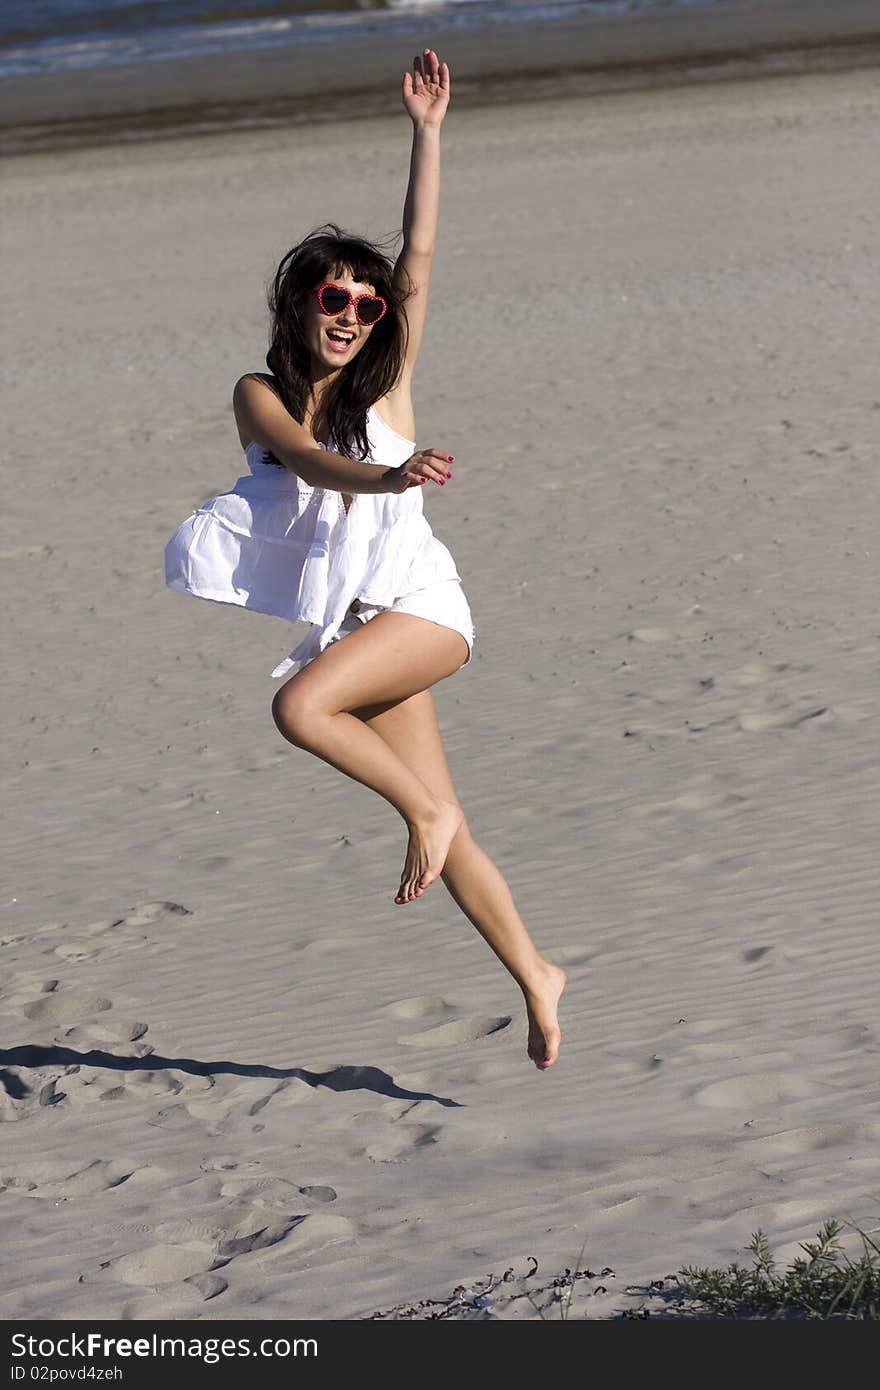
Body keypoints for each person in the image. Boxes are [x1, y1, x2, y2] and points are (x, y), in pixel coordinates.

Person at [165, 48, 565, 1069]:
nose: (350, 315)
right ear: (297, 303)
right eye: (331, 299)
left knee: (302, 709)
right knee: (452, 827)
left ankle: (422, 812)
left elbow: (419, 258)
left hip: (424, 614)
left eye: (365, 305)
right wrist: (381, 482)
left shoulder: (386, 397)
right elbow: (302, 457)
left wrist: (427, 136)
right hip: (363, 626)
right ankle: (537, 973)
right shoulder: (262, 393)